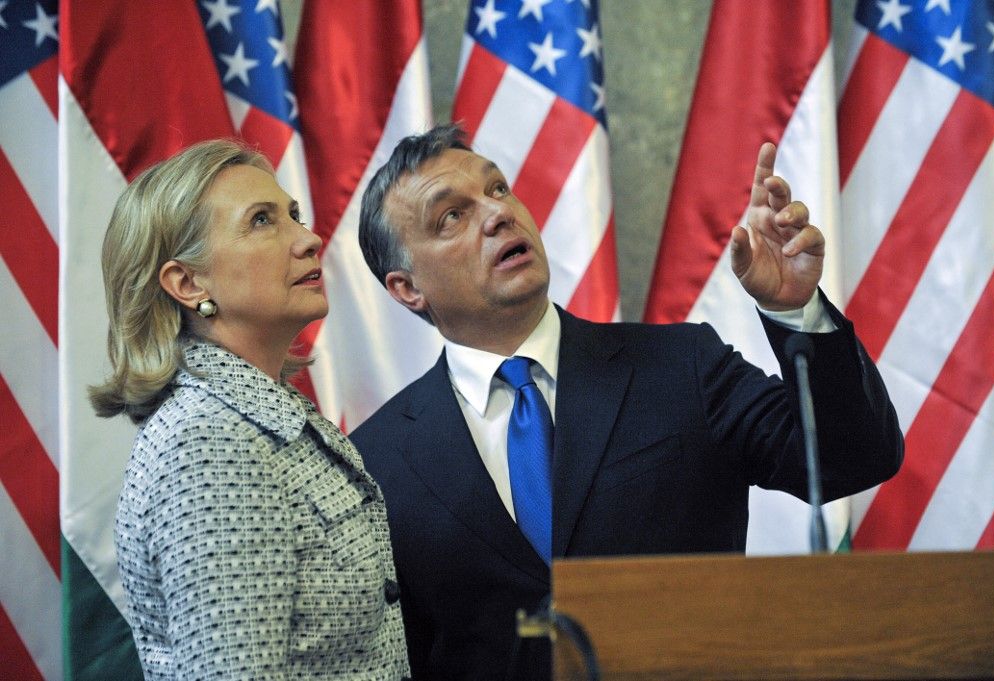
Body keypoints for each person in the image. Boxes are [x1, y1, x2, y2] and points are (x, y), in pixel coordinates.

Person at [350, 124, 904, 680]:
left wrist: (794, 312)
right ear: (406, 288)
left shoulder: (681, 366)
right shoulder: (373, 462)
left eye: (497, 190)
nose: (497, 214)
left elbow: (853, 457)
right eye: (452, 216)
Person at [89, 139, 410, 680]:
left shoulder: (254, 415)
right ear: (188, 284)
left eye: (293, 215)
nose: (308, 239)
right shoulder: (209, 445)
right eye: (262, 221)